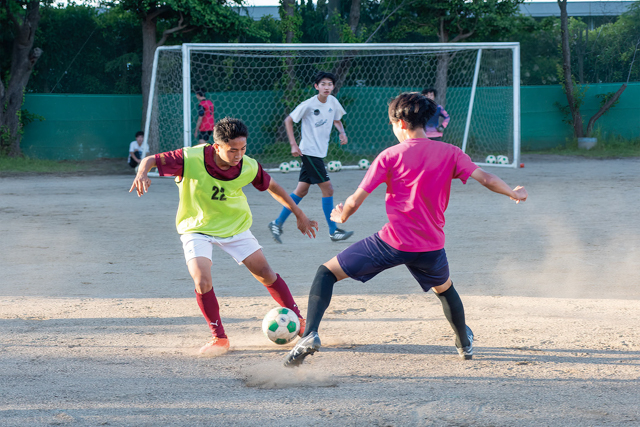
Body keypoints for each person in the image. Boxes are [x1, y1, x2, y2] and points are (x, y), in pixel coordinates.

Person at [283, 92, 528, 367]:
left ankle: (311, 333)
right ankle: (464, 342)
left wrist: (342, 216)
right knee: (445, 290)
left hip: (392, 243)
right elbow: (486, 178)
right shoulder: (451, 152)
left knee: (326, 272)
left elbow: (355, 199)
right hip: (431, 247)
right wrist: (513, 193)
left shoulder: (389, 156)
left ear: (400, 123)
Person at [130, 117, 319, 356]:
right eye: (233, 150)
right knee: (201, 280)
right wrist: (142, 173)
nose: (238, 154)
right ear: (216, 146)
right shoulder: (190, 158)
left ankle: (299, 322)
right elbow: (150, 159)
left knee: (266, 274)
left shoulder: (248, 165)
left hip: (234, 226)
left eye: (243, 148)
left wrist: (299, 214)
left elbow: (274, 187)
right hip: (196, 226)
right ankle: (219, 338)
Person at [268, 71, 354, 244]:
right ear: (316, 86)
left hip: (318, 153)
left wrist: (342, 133)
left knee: (301, 190)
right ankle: (333, 231)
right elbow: (288, 120)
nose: (327, 87)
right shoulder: (308, 104)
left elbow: (336, 119)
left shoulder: (333, 102)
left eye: (330, 84)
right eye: (323, 84)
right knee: (328, 189)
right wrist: (293, 144)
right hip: (309, 152)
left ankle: (277, 223)